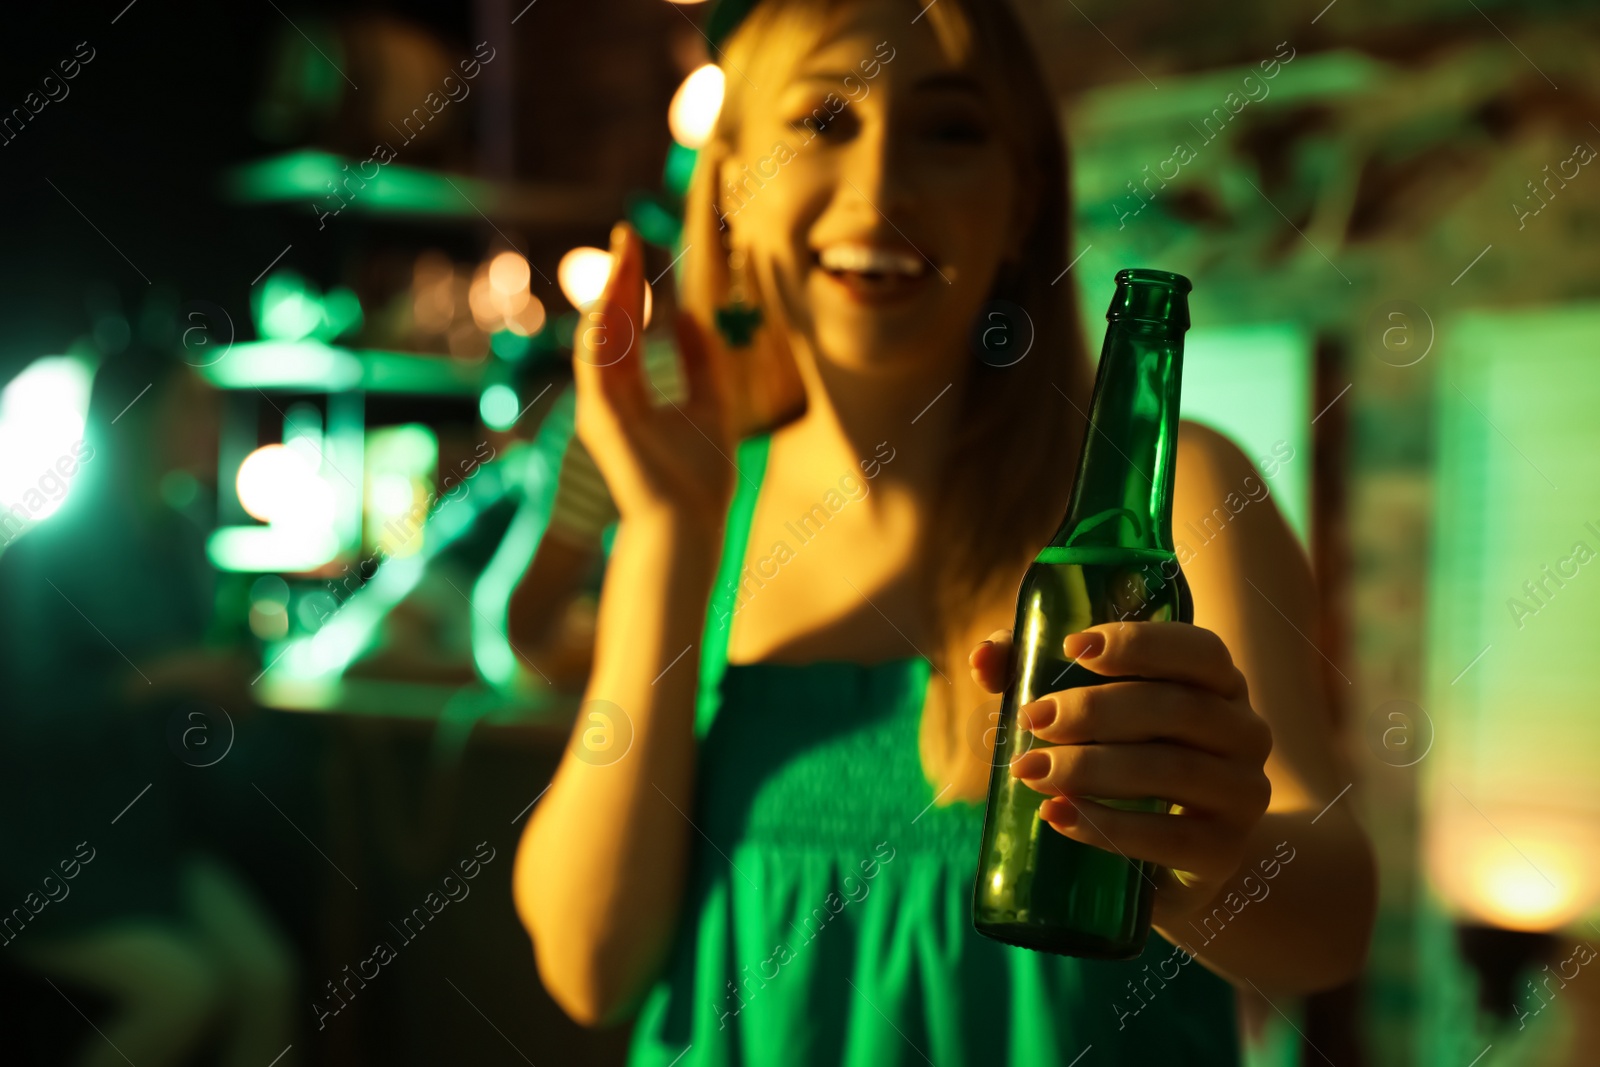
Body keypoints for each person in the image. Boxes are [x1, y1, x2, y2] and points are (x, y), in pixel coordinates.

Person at [512, 0, 1376, 1062]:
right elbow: (588, 964)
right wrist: (663, 536)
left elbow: (1331, 920)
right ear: (732, 182)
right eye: (825, 120)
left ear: (1020, 202)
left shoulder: (1173, 494)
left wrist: (1197, 849)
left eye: (950, 130)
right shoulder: (698, 512)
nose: (880, 190)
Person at [0, 344, 300, 1066]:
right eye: (188, 405)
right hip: (54, 857)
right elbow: (23, 719)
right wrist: (159, 677)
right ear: (129, 419)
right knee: (186, 989)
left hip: (157, 844)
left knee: (268, 977)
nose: (211, 423)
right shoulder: (42, 552)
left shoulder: (186, 539)